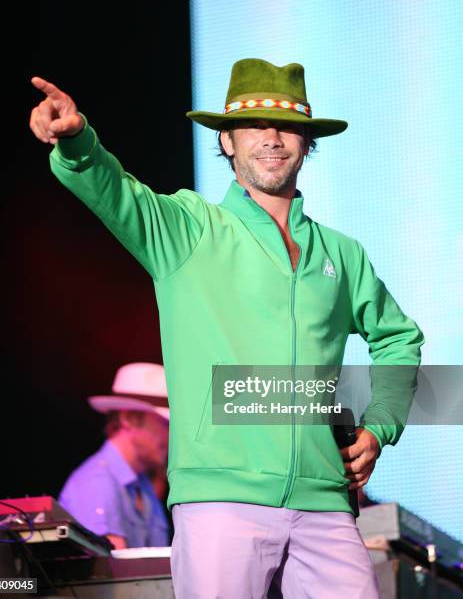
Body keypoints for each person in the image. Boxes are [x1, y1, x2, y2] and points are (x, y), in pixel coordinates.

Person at [30, 58, 424, 597]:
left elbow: (399, 338)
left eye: (286, 125)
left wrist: (379, 427)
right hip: (220, 501)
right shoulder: (189, 226)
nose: (271, 137)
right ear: (227, 140)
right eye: (254, 125)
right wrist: (77, 142)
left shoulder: (343, 254)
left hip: (325, 503)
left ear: (307, 141)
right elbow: (114, 191)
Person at [58, 362, 170, 549]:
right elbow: (114, 575)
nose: (170, 435)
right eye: (165, 425)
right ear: (129, 419)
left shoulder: (143, 487)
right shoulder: (96, 482)